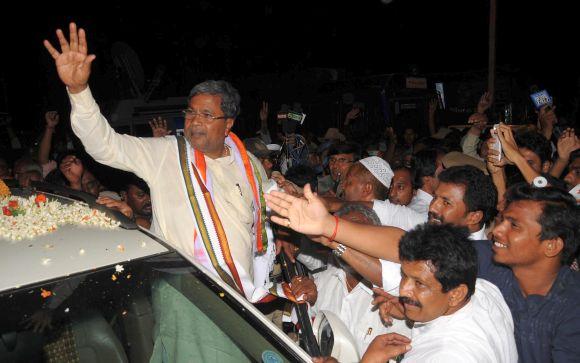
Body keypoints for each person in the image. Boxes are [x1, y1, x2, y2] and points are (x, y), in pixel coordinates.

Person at [45, 23, 275, 362]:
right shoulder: (168, 153)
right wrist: (79, 90)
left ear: (228, 124)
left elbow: (264, 214)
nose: (194, 121)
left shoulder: (249, 162)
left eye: (206, 115)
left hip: (239, 296)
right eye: (191, 111)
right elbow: (104, 145)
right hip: (187, 293)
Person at [264, 182, 580, 361]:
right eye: (503, 220)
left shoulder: (572, 309)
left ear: (551, 245)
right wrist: (330, 228)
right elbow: (407, 247)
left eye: (514, 226)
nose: (497, 231)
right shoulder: (489, 276)